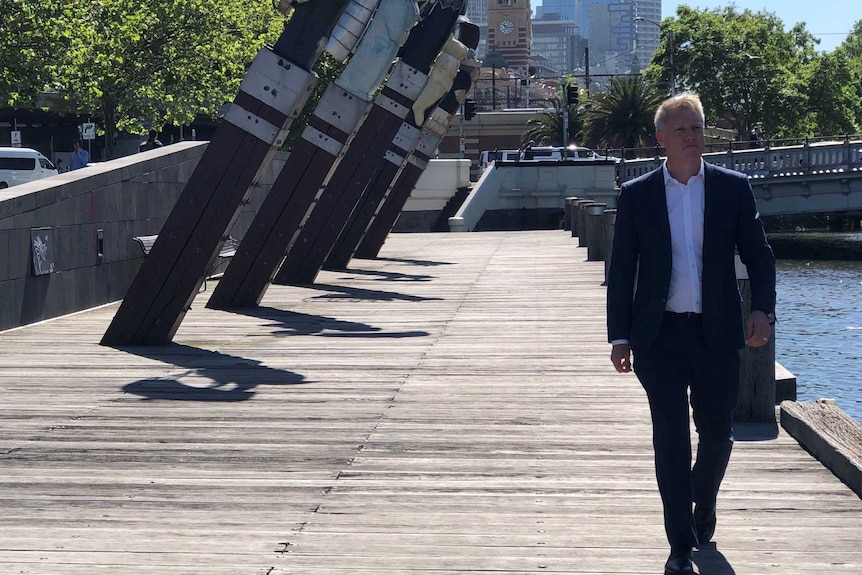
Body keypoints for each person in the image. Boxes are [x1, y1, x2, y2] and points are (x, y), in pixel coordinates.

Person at [606, 93, 775, 575]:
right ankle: (680, 545)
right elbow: (622, 271)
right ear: (661, 138)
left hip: (718, 332)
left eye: (697, 127)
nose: (692, 136)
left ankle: (701, 505)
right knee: (671, 438)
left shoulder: (731, 188)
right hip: (657, 336)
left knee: (719, 433)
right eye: (681, 129)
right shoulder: (637, 195)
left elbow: (760, 256)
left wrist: (762, 311)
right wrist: (620, 336)